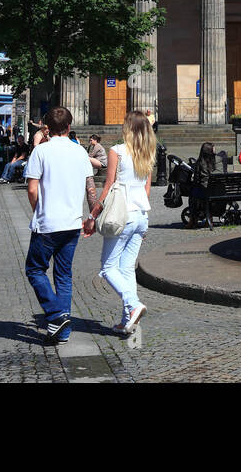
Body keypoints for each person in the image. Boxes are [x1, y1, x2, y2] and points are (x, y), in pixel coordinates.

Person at [23, 106, 98, 344]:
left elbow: (32, 188)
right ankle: (62, 332)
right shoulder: (79, 153)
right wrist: (91, 218)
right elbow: (91, 190)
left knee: (35, 270)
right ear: (69, 126)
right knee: (64, 275)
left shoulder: (41, 151)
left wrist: (39, 211)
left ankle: (56, 315)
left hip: (48, 224)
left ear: (47, 128)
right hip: (73, 223)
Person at [90, 110, 154, 335]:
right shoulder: (147, 152)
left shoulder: (117, 150)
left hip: (121, 215)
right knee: (127, 269)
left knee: (108, 268)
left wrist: (93, 215)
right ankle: (127, 319)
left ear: (128, 128)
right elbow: (146, 189)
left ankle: (133, 304)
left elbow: (108, 186)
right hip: (141, 216)